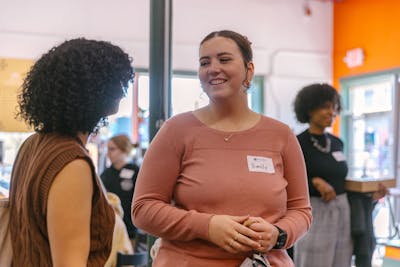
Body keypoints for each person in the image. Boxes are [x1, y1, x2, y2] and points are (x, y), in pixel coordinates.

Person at [132, 30, 312, 267]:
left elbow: (301, 211)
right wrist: (207, 226)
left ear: (249, 70)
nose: (213, 68)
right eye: (204, 62)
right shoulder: (176, 130)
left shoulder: (281, 135)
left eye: (224, 59)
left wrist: (278, 234)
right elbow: (143, 209)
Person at [8, 38, 134, 267]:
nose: (122, 90)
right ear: (89, 88)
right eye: (115, 80)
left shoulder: (32, 145)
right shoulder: (71, 162)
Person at [293, 83, 353, 267]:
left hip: (342, 210)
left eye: (334, 107)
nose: (331, 112)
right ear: (310, 109)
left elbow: (340, 177)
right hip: (314, 211)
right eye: (325, 107)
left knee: (342, 260)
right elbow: (287, 181)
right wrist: (313, 183)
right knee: (313, 260)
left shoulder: (337, 143)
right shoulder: (297, 143)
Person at [101, 134, 140, 245]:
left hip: (130, 231)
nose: (108, 153)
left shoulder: (135, 171)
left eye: (112, 149)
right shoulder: (105, 174)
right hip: (108, 231)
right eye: (107, 149)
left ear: (124, 150)